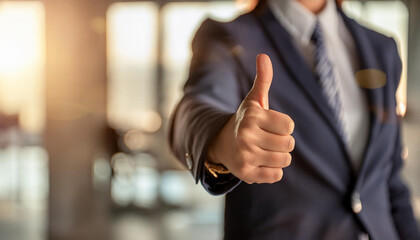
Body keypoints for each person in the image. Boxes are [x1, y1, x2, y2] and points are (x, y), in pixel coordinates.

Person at [169, 0, 420, 239]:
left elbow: (389, 181)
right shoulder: (229, 38)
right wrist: (223, 140)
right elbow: (193, 109)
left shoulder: (381, 48)